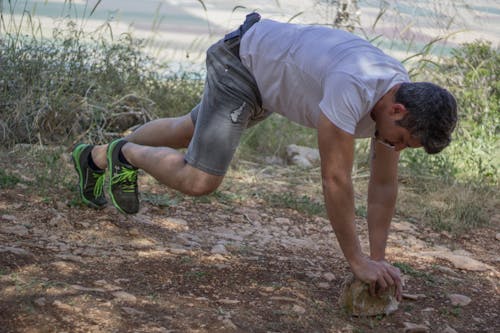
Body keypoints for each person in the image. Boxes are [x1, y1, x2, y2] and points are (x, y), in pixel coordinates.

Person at [71, 13, 457, 301]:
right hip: (242, 63)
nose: (398, 149)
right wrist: (356, 260)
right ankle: (127, 153)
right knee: (200, 179)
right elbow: (336, 180)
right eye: (403, 141)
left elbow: (383, 185)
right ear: (397, 111)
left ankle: (94, 159)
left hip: (266, 73)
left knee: (186, 129)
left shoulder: (398, 97)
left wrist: (377, 261)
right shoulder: (353, 87)